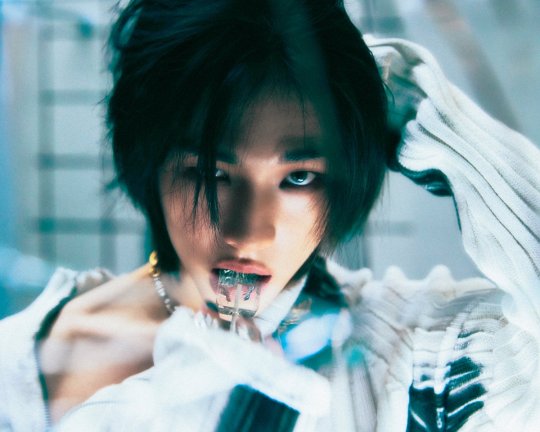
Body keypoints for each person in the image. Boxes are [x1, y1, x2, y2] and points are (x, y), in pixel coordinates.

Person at [1, 0, 539, 431]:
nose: (248, 231)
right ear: (150, 160)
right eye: (211, 173)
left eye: (299, 177)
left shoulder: (393, 355)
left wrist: (415, 105)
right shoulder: (15, 359)